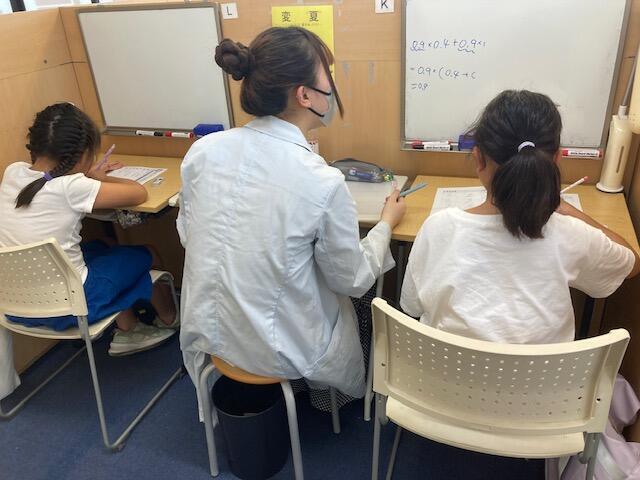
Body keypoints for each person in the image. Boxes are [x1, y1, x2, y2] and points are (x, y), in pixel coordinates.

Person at [178, 27, 406, 402]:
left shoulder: (203, 152)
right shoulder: (321, 180)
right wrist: (385, 225)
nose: (332, 87)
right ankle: (328, 401)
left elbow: (191, 236)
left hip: (209, 328)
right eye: (327, 76)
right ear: (304, 95)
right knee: (362, 298)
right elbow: (350, 279)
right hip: (279, 349)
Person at [401, 90, 639, 344]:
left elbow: (412, 306)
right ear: (556, 160)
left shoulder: (438, 228)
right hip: (545, 371)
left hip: (445, 369)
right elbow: (632, 264)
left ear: (478, 157)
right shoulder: (571, 233)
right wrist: (570, 211)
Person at [0, 102, 178, 357]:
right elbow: (139, 193)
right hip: (75, 306)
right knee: (146, 254)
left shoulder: (13, 172)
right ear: (84, 154)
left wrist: (85, 177)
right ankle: (169, 318)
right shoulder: (72, 186)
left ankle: (129, 326)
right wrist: (100, 178)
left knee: (108, 246)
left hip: (17, 305)